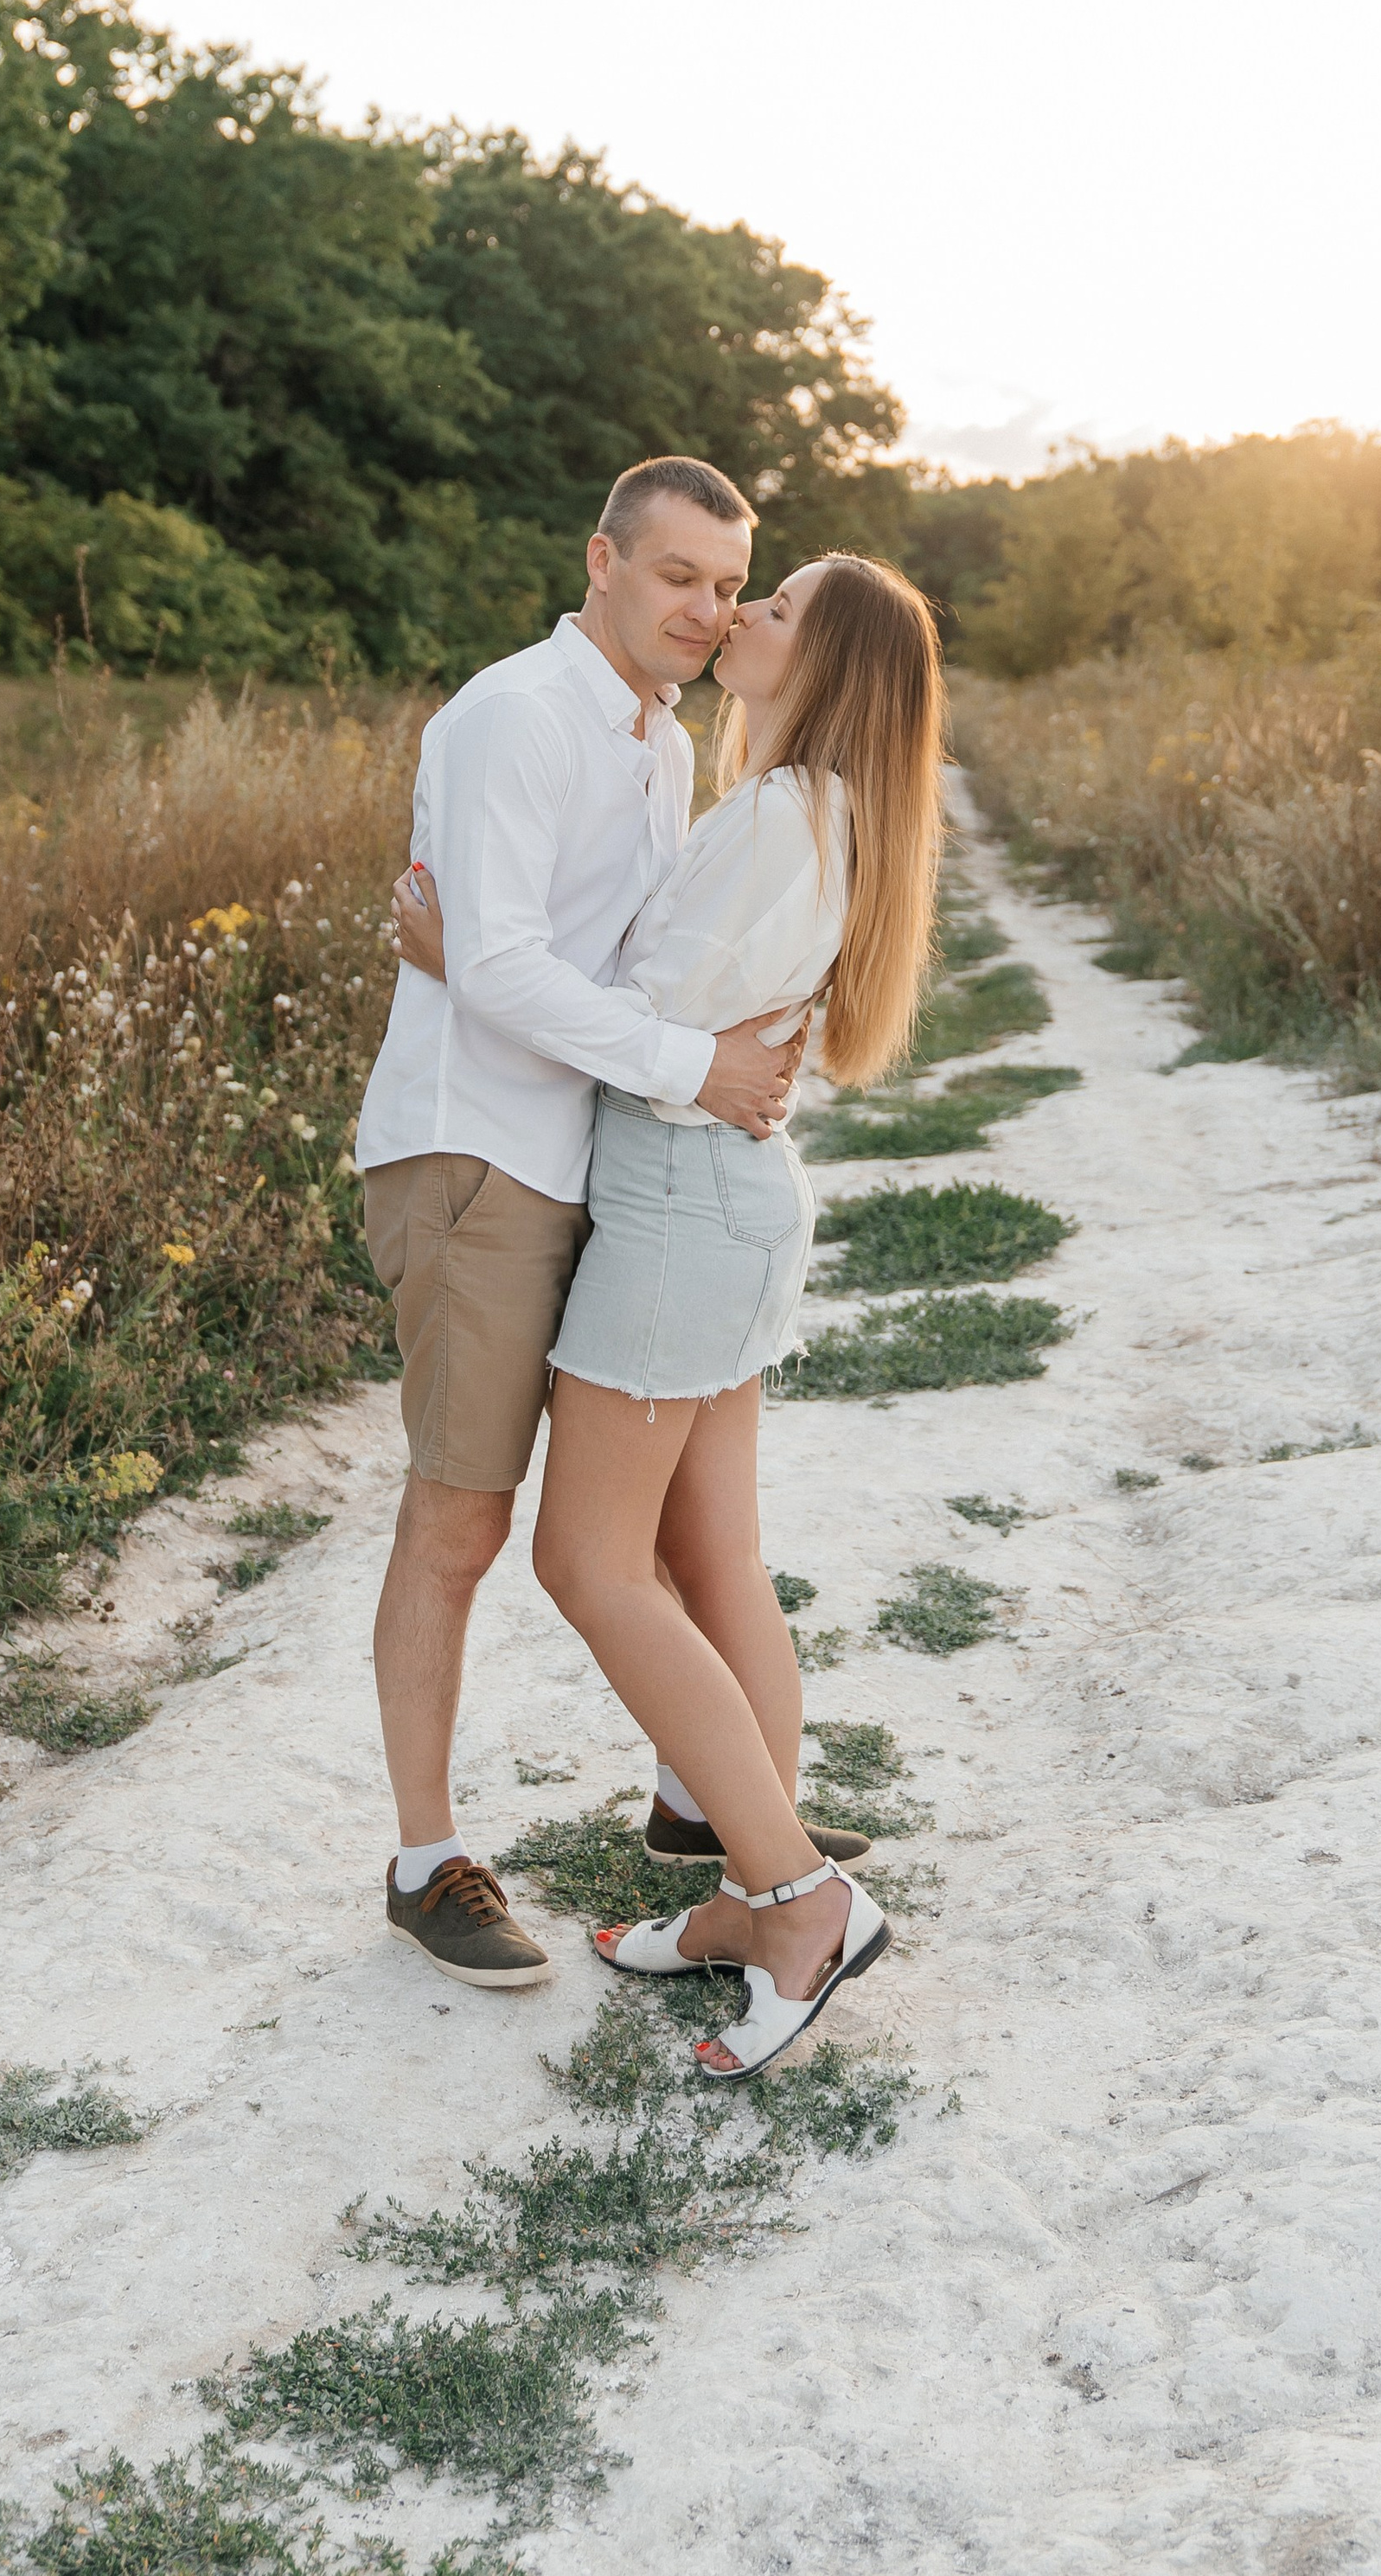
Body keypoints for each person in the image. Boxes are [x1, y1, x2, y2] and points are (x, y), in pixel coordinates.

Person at [355, 456, 815, 1991]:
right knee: (462, 1519)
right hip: (478, 1157)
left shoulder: (662, 745)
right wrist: (697, 1065)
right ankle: (425, 1864)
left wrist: (712, 1045)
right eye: (678, 574)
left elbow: (611, 962)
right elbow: (501, 965)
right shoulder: (518, 716)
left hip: (602, 1161)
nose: (706, 609)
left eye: (729, 586)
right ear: (603, 560)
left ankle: (716, 1805)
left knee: (662, 1519)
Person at [531, 552, 946, 2081]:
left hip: (679, 1207)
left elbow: (652, 1022)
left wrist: (471, 961)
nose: (745, 615)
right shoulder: (816, 811)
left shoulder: (783, 814)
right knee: (711, 1559)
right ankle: (745, 1892)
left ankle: (799, 1900)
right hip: (721, 1203)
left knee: (588, 1559)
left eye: (778, 610)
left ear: (826, 666)